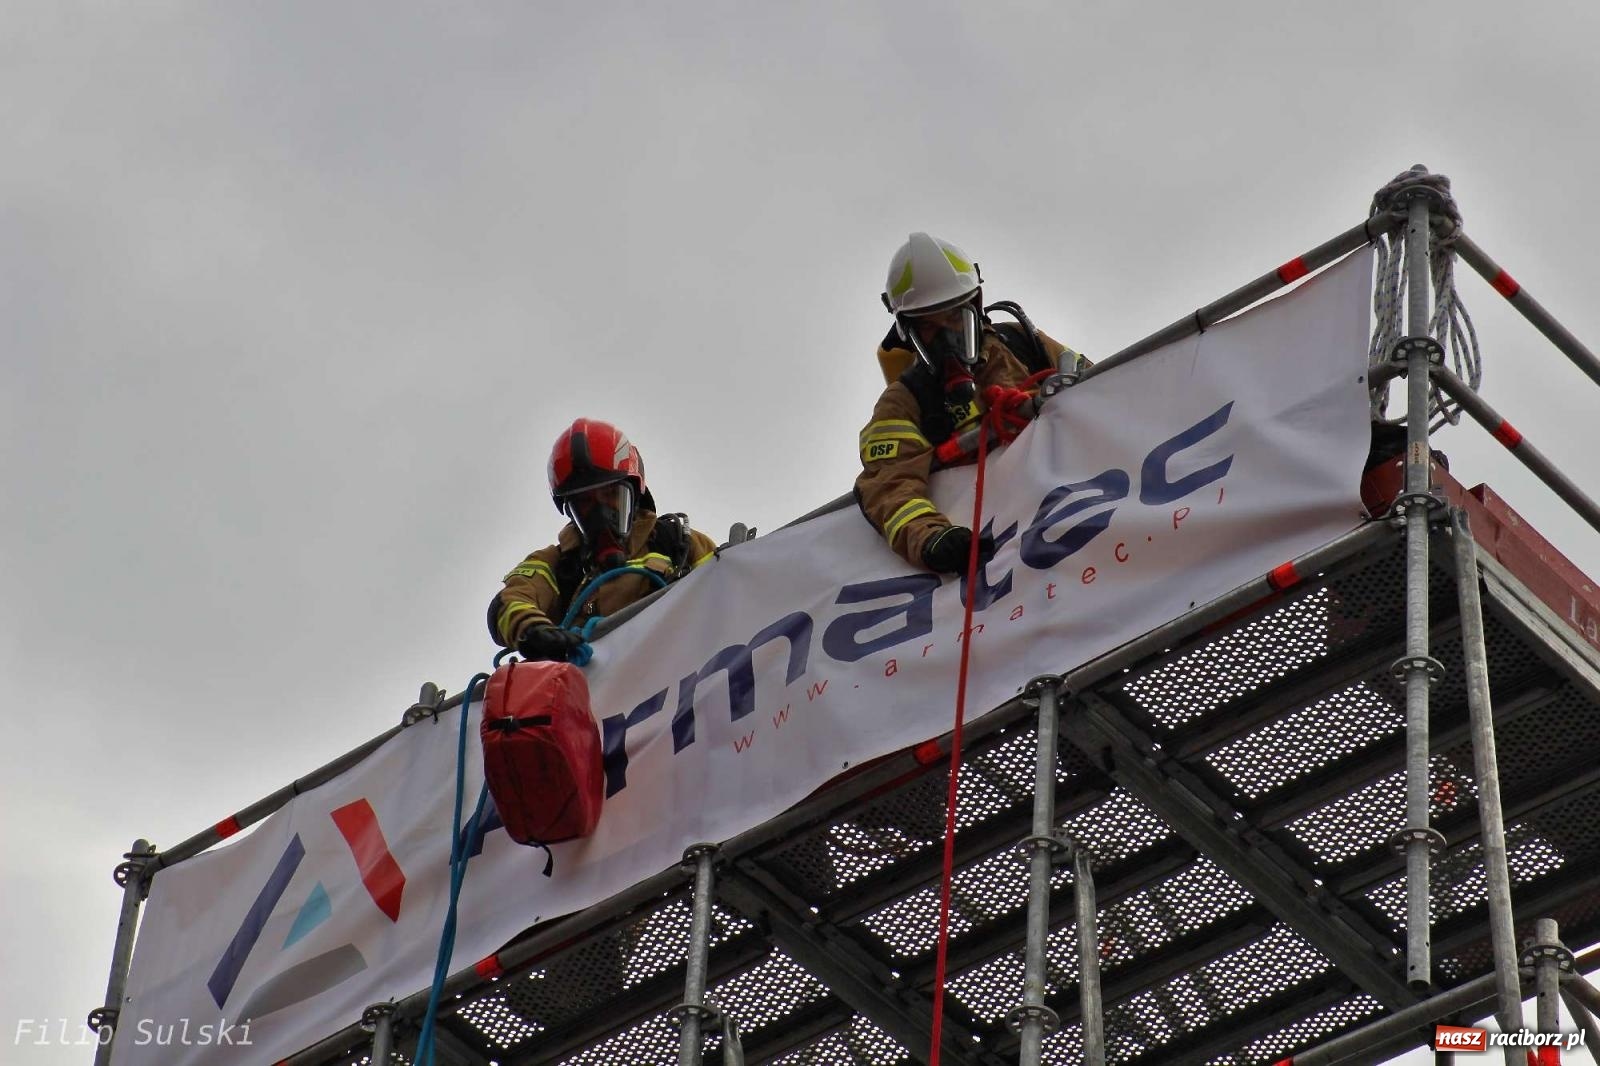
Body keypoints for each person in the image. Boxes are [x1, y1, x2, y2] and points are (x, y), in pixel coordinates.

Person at [855, 232, 1082, 573]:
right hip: (1011, 559)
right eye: (930, 327)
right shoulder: (904, 402)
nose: (948, 334)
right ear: (907, 332)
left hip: (1077, 505)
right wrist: (931, 539)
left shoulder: (1021, 342)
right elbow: (889, 485)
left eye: (953, 317)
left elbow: (1108, 392)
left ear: (975, 307)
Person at [488, 418, 719, 660]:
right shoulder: (556, 565)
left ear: (635, 494)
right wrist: (532, 629)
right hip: (593, 694)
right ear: (570, 510)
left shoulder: (678, 544)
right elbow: (509, 602)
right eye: (585, 502)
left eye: (611, 494)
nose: (600, 512)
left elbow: (727, 598)